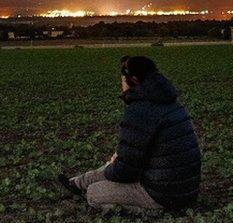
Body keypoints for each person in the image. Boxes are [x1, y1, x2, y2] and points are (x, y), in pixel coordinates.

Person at [58, 55, 201, 210]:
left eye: (122, 78)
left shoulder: (139, 110)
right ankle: (77, 183)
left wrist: (114, 167)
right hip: (187, 191)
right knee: (113, 165)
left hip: (162, 194)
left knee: (94, 194)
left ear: (132, 80)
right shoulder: (172, 103)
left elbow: (125, 171)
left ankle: (147, 209)